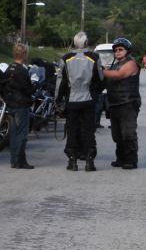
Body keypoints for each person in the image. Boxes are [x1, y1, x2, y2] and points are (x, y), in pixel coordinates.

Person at [57, 31, 103, 171]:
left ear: (74, 42)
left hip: (72, 100)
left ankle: (72, 161)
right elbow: (100, 79)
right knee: (89, 130)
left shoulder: (66, 58)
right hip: (88, 99)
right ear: (86, 43)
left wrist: (57, 100)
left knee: (72, 129)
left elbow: (61, 81)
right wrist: (95, 93)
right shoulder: (94, 57)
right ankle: (89, 161)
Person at [103, 37, 141, 169]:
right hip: (114, 104)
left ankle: (131, 160)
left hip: (128, 103)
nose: (117, 52)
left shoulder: (131, 64)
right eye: (116, 50)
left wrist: (100, 71)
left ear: (127, 51)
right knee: (117, 135)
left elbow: (119, 75)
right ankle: (120, 158)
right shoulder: (114, 66)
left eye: (120, 49)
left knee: (128, 133)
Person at [0, 43, 35, 169]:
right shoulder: (22, 71)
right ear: (24, 54)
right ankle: (20, 161)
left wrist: (6, 97)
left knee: (14, 133)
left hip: (11, 104)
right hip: (21, 104)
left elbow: (1, 84)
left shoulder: (9, 68)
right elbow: (28, 89)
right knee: (22, 134)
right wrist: (35, 86)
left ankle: (14, 161)